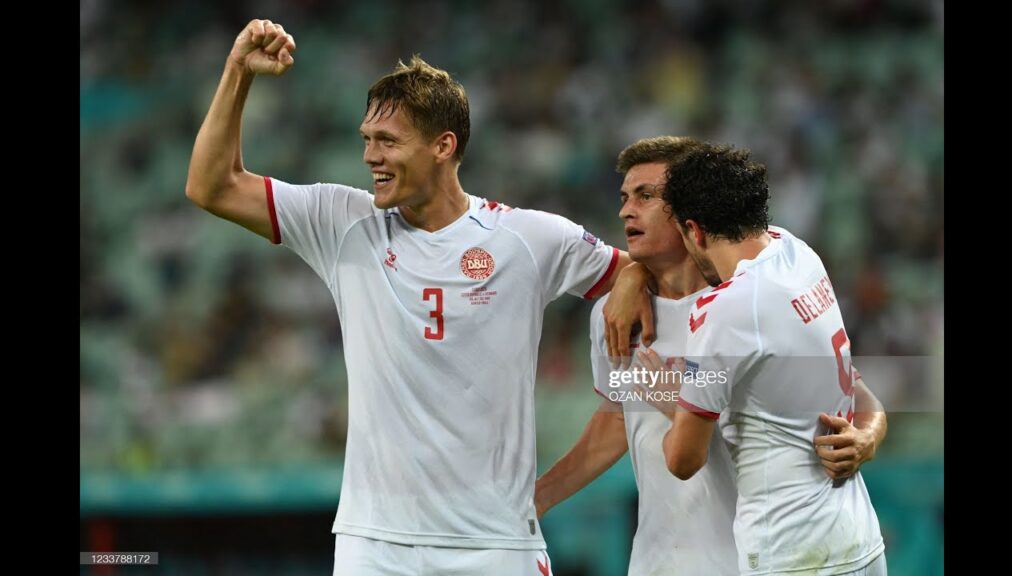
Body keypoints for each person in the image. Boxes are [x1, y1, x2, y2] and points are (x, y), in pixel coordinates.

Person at [185, 19, 637, 575]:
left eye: (388, 142)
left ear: (443, 146)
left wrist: (632, 281)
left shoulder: (528, 238)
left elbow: (638, 272)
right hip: (374, 544)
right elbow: (211, 185)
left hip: (494, 545)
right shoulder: (341, 221)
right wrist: (236, 73)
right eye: (366, 140)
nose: (370, 156)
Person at [538, 137, 888, 575]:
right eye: (625, 197)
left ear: (689, 214)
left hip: (747, 558)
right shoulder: (611, 318)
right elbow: (616, 419)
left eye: (647, 196)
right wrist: (539, 498)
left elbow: (852, 388)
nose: (627, 210)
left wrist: (867, 436)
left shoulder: (739, 307)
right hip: (658, 559)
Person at [649, 141, 886, 574]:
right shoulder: (800, 256)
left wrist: (668, 397)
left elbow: (683, 460)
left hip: (792, 553)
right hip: (860, 543)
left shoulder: (727, 309)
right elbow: (862, 394)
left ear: (694, 231)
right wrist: (868, 437)